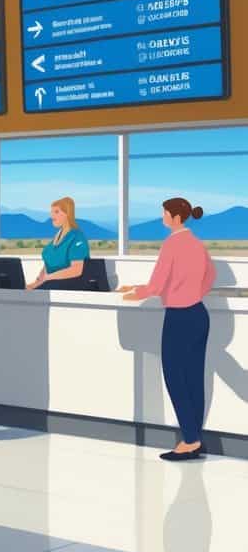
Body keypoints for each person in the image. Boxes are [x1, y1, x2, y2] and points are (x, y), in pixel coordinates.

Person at [120, 197, 215, 461]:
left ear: (175, 217)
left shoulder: (172, 244)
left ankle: (189, 440)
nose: (162, 217)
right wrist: (191, 293)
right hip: (198, 314)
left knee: (175, 377)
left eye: (164, 213)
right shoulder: (196, 243)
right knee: (194, 378)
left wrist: (134, 293)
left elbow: (157, 285)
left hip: (179, 317)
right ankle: (194, 438)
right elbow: (210, 276)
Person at [27, 197, 90, 291]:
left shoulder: (76, 237)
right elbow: (48, 265)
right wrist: (35, 283)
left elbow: (76, 269)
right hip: (50, 283)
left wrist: (48, 278)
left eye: (56, 212)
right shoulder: (57, 237)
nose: (52, 215)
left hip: (69, 286)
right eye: (51, 212)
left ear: (67, 214)